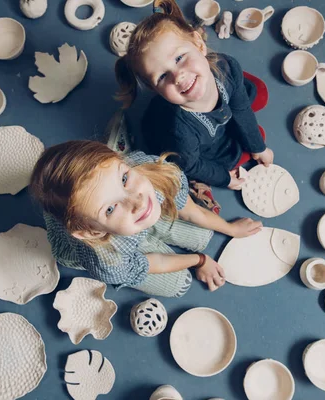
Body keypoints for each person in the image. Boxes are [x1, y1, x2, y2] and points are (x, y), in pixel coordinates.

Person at [29, 140, 262, 297]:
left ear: (123, 161)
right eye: (110, 208)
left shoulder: (149, 169)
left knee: (203, 234)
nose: (137, 202)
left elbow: (191, 210)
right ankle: (143, 235)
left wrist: (231, 229)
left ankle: (139, 225)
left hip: (126, 224)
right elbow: (155, 263)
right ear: (91, 231)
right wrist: (199, 260)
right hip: (111, 245)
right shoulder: (105, 261)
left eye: (123, 179)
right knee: (179, 285)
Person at [114, 0, 274, 211]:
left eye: (179, 58)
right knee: (235, 155)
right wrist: (225, 179)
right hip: (190, 145)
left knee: (257, 93)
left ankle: (239, 128)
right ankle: (197, 184)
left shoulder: (227, 66)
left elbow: (241, 107)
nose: (178, 76)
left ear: (198, 44)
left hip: (217, 112)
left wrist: (258, 147)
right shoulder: (181, 132)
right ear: (155, 90)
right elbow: (191, 164)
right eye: (162, 76)